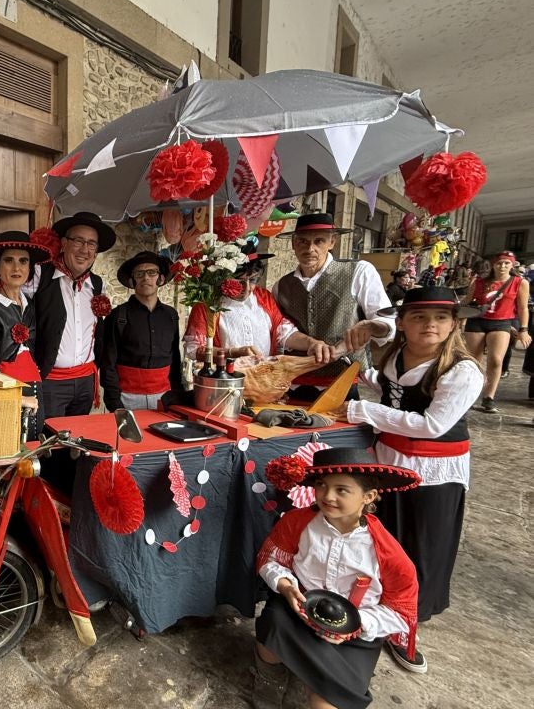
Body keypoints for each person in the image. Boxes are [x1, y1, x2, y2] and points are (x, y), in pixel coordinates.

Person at [343, 286, 482, 672]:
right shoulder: (396, 355)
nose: (430, 325)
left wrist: (363, 411)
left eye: (440, 318)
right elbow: (389, 386)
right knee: (388, 538)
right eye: (419, 317)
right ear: (401, 323)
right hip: (389, 458)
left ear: (454, 324)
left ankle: (406, 624)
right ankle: (379, 604)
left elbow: (433, 425)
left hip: (433, 471)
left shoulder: (462, 370)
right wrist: (349, 370)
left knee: (422, 546)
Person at [253, 448, 420, 709]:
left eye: (342, 490)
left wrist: (357, 625)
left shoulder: (388, 553)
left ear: (368, 497)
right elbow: (271, 559)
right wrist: (284, 586)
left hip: (353, 633)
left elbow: (401, 611)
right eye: (322, 486)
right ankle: (269, 674)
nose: (328, 497)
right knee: (273, 622)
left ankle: (309, 672)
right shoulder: (297, 522)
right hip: (298, 612)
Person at [0, 212, 116, 419]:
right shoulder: (41, 274)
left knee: (77, 445)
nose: (85, 249)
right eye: (78, 241)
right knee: (48, 444)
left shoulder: (98, 285)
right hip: (50, 381)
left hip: (85, 383)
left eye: (92, 243)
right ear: (63, 244)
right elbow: (10, 281)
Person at [272, 213, 396, 398]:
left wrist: (371, 326)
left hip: (343, 381)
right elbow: (281, 331)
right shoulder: (281, 286)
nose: (310, 248)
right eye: (303, 242)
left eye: (319, 241)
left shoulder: (359, 271)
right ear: (293, 244)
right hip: (295, 383)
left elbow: (388, 322)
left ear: (332, 242)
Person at [0, 230, 51, 440]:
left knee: (31, 459)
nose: (16, 268)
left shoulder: (30, 305)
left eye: (23, 261)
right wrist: (15, 398)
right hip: (4, 398)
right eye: (9, 261)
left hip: (35, 392)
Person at [184, 247, 332, 363]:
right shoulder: (208, 305)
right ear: (223, 279)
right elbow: (193, 349)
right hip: (225, 382)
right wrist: (234, 353)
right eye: (239, 281)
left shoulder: (264, 297)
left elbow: (284, 332)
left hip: (263, 382)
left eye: (253, 280)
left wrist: (311, 343)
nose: (247, 288)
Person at [98, 251, 183, 411]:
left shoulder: (171, 315)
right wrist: (114, 402)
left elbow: (175, 358)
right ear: (132, 280)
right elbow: (108, 363)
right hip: (127, 397)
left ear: (161, 278)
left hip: (164, 395)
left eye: (152, 272)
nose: (146, 278)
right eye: (139, 273)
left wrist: (178, 394)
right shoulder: (118, 316)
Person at [463, 250, 531, 412]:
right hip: (477, 321)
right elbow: (467, 301)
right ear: (493, 265)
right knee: (473, 361)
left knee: (496, 360)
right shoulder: (479, 282)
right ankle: (469, 394)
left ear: (512, 265)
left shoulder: (519, 282)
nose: (502, 266)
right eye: (499, 263)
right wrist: (454, 313)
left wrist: (524, 329)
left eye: (506, 263)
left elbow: (522, 307)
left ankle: (489, 397)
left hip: (501, 323)